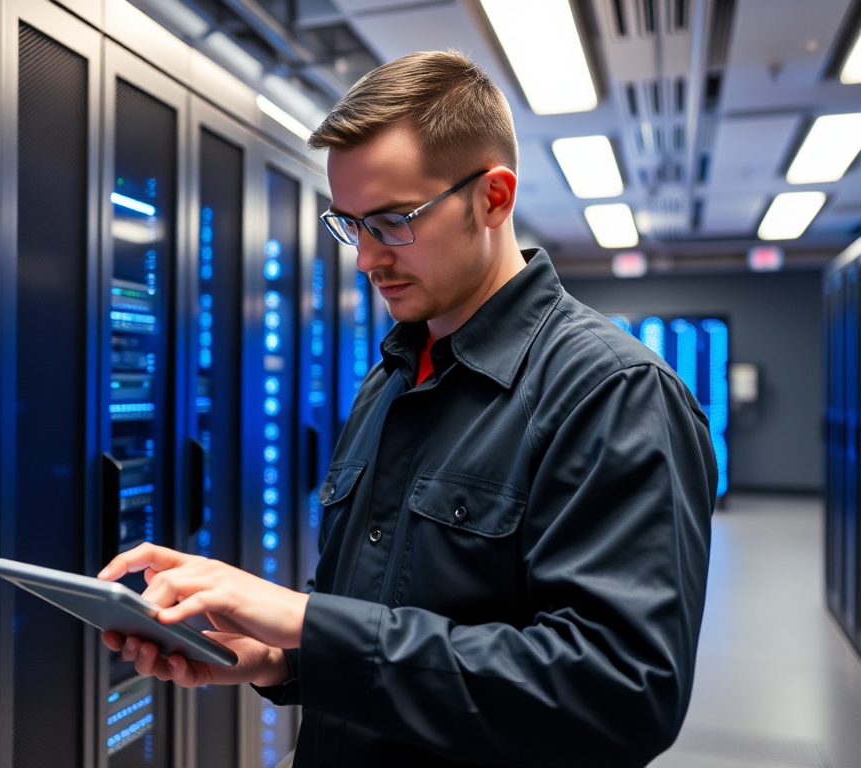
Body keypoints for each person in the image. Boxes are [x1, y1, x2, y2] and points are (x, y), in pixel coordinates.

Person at [99, 50, 716, 767]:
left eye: (393, 222)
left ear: (494, 196)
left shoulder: (612, 393)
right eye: (350, 225)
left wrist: (310, 624)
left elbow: (620, 693)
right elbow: (382, 611)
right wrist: (276, 656)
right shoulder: (394, 374)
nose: (365, 260)